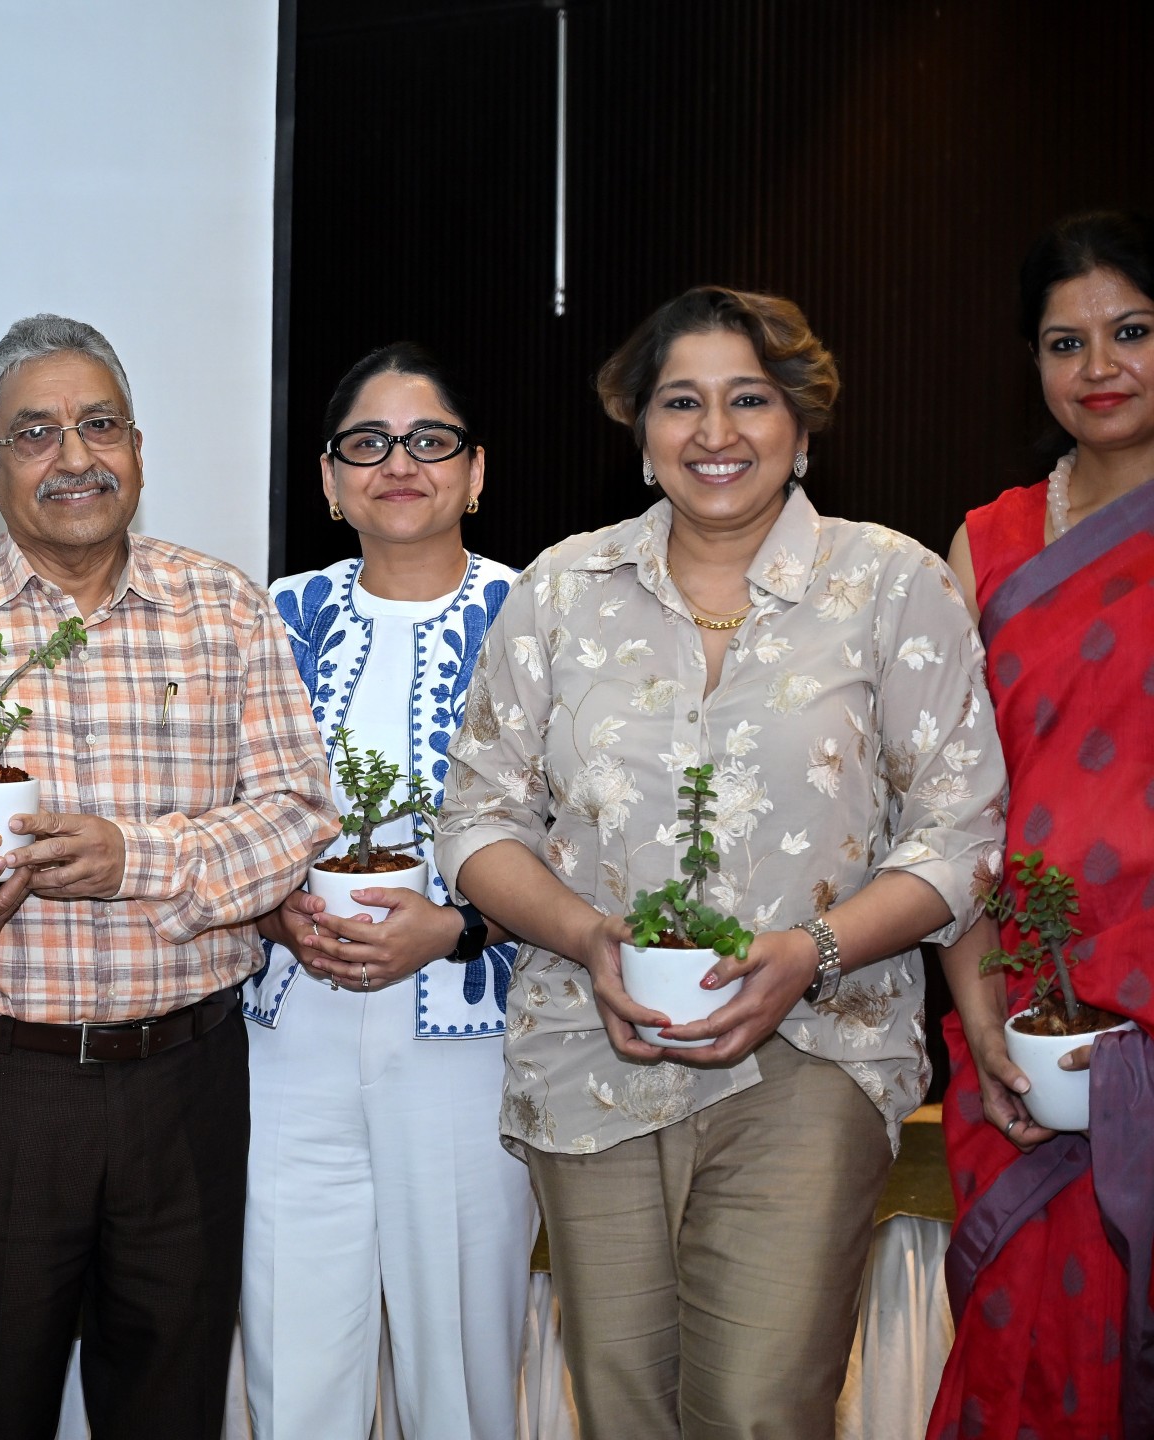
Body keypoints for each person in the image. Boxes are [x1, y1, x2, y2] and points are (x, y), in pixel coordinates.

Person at [435, 286, 1006, 1439]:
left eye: (749, 399)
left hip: (814, 1043)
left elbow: (959, 831)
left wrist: (813, 951)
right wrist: (588, 937)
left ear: (801, 423)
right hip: (591, 1052)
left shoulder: (893, 585)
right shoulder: (561, 590)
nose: (715, 432)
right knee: (627, 1411)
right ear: (640, 429)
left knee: (758, 1410)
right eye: (680, 402)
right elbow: (477, 822)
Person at [0, 313, 338, 1438]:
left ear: (139, 449)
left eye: (100, 425)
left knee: (171, 1408)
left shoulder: (223, 606)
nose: (74, 457)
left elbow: (300, 812)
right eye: (35, 434)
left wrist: (135, 858)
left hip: (188, 1081)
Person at [243, 342, 532, 1439]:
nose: (398, 464)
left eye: (429, 441)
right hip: (287, 1038)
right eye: (367, 443)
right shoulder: (270, 618)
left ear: (476, 470)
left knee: (460, 1382)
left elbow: (593, 837)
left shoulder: (540, 618)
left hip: (470, 1040)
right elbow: (217, 805)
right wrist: (267, 906)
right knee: (295, 1373)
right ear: (328, 479)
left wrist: (458, 928)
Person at [928, 210, 1154, 1440]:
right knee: (1034, 1344)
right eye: (1067, 342)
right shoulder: (989, 542)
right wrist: (977, 1006)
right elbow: (944, 799)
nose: (1100, 366)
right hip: (1029, 1003)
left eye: (1133, 331)